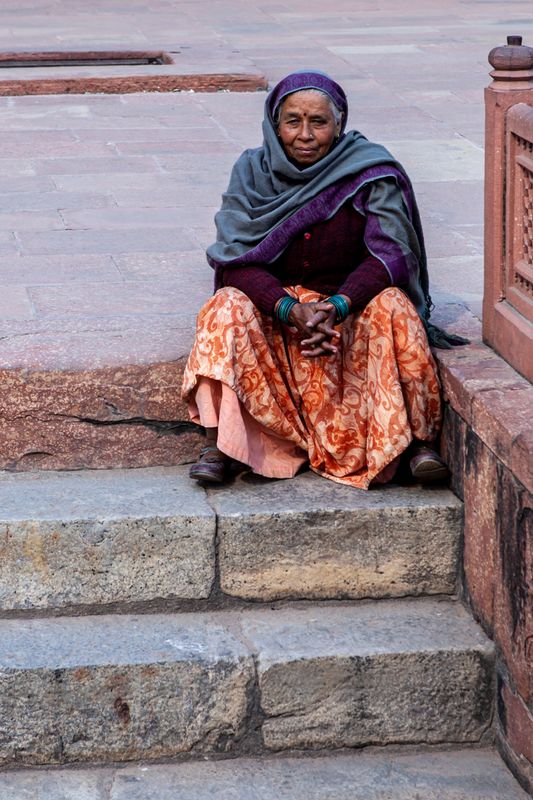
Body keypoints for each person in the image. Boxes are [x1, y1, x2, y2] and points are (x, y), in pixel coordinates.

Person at [181, 70, 466, 489]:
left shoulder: (369, 170)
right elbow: (233, 260)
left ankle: (414, 443)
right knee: (224, 307)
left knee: (395, 305)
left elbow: (390, 255)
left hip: (345, 310)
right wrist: (290, 309)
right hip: (277, 313)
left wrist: (337, 306)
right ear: (274, 124)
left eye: (319, 122)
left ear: (339, 125)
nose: (305, 134)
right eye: (292, 120)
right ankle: (219, 446)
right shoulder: (251, 171)